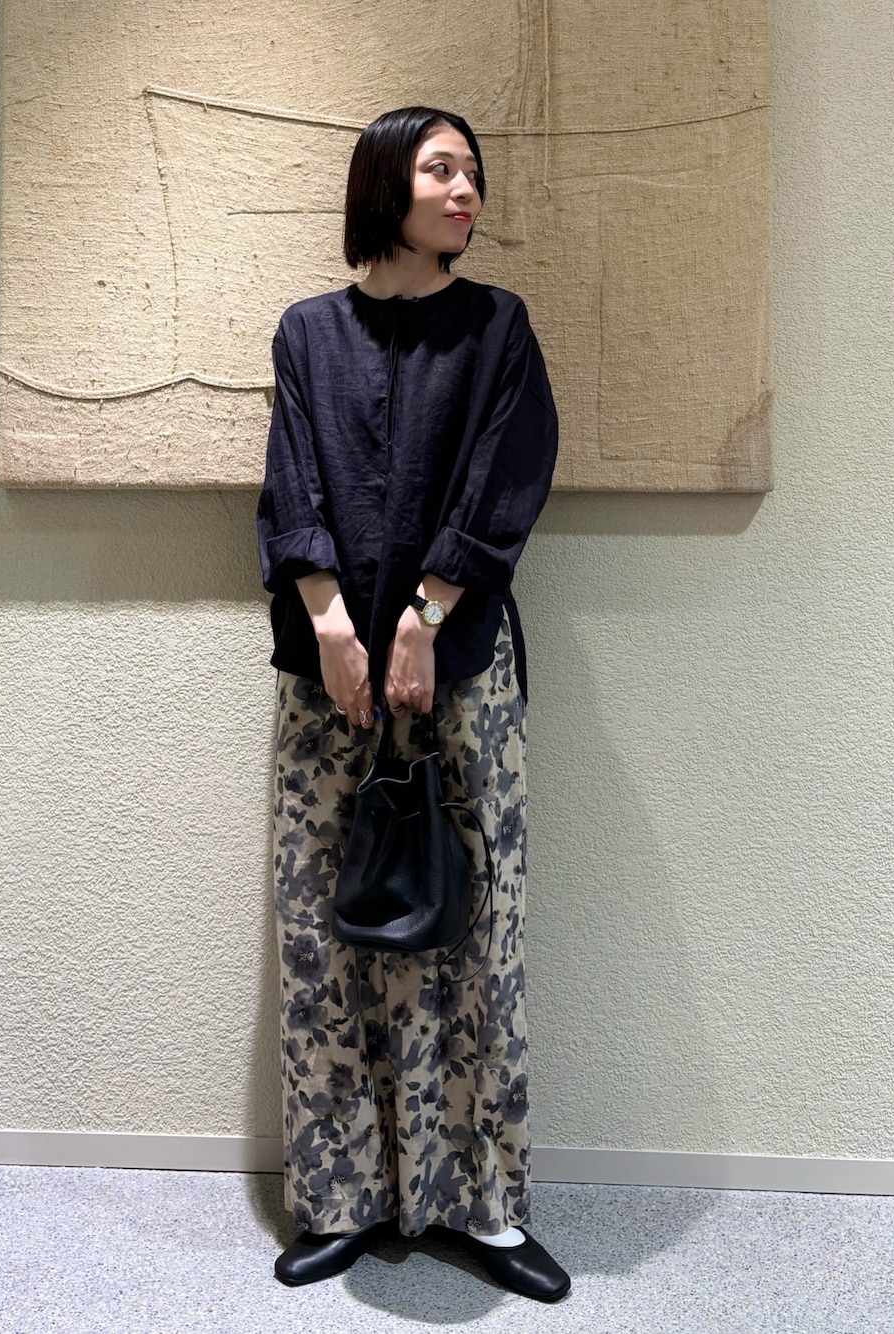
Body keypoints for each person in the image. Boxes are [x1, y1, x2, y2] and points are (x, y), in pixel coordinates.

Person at [256, 106, 568, 1303]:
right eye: (442, 168)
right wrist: (335, 621)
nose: (465, 189)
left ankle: (483, 1205)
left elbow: (506, 479)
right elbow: (290, 481)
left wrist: (423, 616)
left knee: (477, 932)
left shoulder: (498, 328)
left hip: (463, 670)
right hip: (326, 681)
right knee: (323, 930)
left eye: (472, 171)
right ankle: (340, 1197)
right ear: (385, 181)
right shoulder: (308, 333)